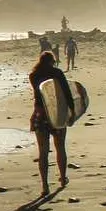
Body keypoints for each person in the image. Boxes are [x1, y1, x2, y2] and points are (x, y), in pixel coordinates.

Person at [29, 50, 75, 196]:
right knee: (60, 147)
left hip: (40, 115)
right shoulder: (57, 73)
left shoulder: (33, 75)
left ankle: (45, 186)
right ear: (52, 61)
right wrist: (72, 112)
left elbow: (39, 96)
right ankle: (62, 178)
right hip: (57, 114)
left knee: (43, 152)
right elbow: (67, 94)